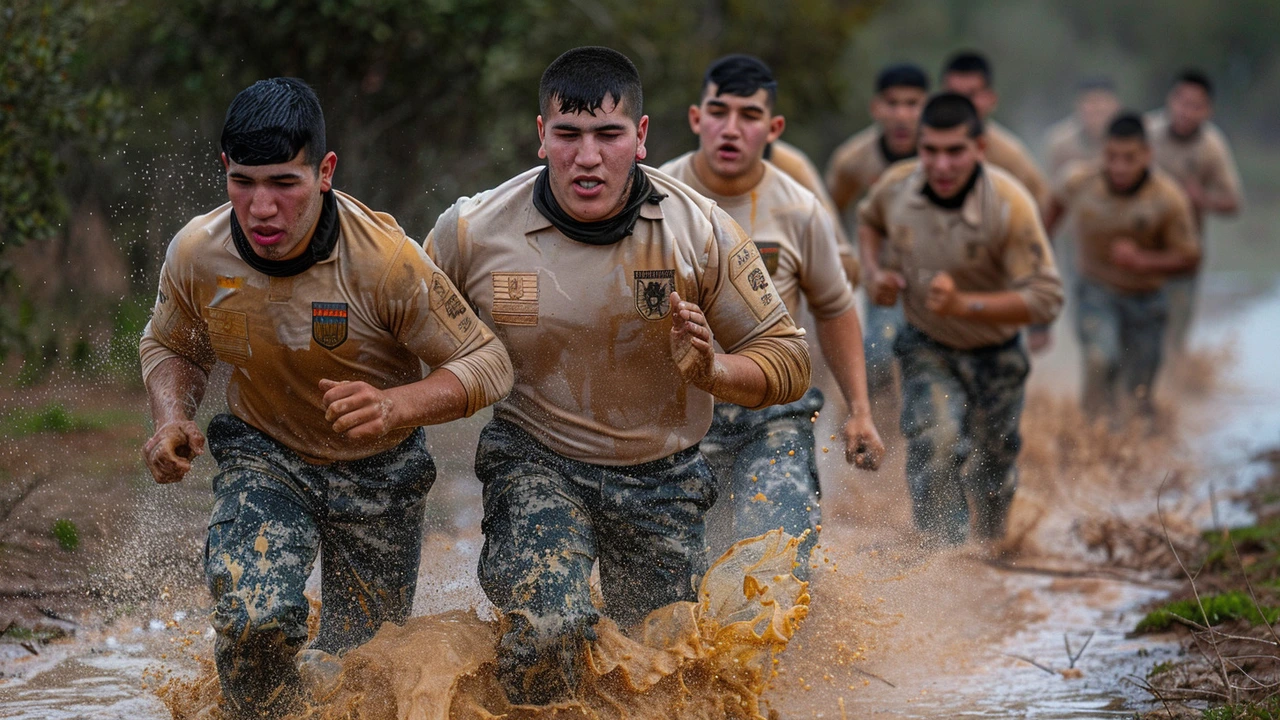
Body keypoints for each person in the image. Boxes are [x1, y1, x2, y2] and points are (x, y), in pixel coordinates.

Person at [424, 47, 810, 705]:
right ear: (541, 135)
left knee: (663, 668)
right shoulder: (472, 228)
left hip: (662, 473)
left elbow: (788, 360)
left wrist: (715, 369)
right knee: (550, 628)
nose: (588, 157)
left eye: (608, 135)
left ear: (641, 137)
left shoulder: (702, 232)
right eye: (568, 135)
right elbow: (399, 338)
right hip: (536, 459)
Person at [138, 78, 513, 718]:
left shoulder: (387, 262)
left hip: (381, 473)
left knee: (358, 677)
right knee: (253, 620)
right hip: (266, 457)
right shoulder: (198, 253)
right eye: (244, 182)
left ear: (325, 172)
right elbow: (171, 345)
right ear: (225, 170)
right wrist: (172, 416)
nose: (261, 208)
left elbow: (489, 361)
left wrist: (398, 406)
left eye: (285, 183)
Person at [659, 54, 884, 577]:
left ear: (774, 129)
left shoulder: (800, 210)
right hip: (683, 415)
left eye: (749, 115)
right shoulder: (657, 200)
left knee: (777, 563)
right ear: (696, 119)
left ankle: (789, 657)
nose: (731, 129)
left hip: (774, 411)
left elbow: (834, 309)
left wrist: (860, 410)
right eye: (718, 112)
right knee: (684, 580)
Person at [858, 93, 1063, 547]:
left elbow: (1046, 298)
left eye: (955, 151)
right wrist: (875, 275)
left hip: (997, 353)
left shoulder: (1010, 205)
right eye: (930, 150)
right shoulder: (896, 187)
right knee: (937, 443)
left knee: (994, 464)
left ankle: (992, 551)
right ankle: (943, 565)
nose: (942, 165)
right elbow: (868, 220)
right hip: (927, 344)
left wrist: (964, 304)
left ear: (980, 149)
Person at [1043, 114, 1199, 421]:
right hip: (1095, 291)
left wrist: (1143, 261)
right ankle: (1090, 434)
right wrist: (1042, 267)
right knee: (1102, 359)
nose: (1119, 168)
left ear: (1147, 155)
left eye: (1130, 158)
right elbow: (1043, 223)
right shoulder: (1077, 181)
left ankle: (1137, 441)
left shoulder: (1168, 197)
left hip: (1147, 299)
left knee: (1138, 391)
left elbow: (1190, 257)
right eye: (1112, 157)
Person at [825, 63, 930, 397]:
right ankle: (879, 429)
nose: (902, 115)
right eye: (892, 103)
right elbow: (827, 213)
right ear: (876, 108)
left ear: (928, 106)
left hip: (941, 277)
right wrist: (844, 264)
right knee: (878, 355)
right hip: (885, 280)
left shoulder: (947, 155)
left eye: (912, 104)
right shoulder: (854, 160)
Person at [1146, 69, 1243, 356]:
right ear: (1170, 100)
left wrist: (1203, 200)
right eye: (1181, 101)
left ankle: (1173, 393)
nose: (1185, 112)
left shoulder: (1212, 147)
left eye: (1195, 105)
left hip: (1182, 253)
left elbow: (1233, 202)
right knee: (1138, 328)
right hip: (1139, 244)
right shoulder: (1145, 133)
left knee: (1174, 336)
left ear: (1207, 111)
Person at [1043, 77, 1122, 179]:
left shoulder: (1139, 135)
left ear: (1116, 105)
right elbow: (1051, 187)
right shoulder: (1060, 143)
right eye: (1090, 102)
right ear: (1078, 106)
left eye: (1102, 101)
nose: (1097, 108)